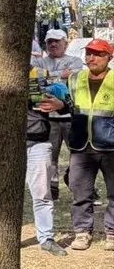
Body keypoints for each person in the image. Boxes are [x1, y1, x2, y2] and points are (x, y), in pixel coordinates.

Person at [65, 38, 114, 251]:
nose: (90, 58)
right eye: (88, 53)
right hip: (81, 147)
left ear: (109, 57)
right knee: (80, 192)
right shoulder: (75, 79)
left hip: (110, 146)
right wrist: (59, 105)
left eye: (97, 54)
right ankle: (83, 232)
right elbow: (69, 107)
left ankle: (112, 232)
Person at [26, 65, 70, 257]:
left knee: (42, 193)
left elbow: (66, 99)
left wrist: (61, 105)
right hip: (6, 145)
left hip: (38, 142)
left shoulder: (39, 74)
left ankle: (46, 238)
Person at [35, 28, 85, 200]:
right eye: (50, 42)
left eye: (57, 41)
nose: (53, 44)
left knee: (78, 155)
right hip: (48, 118)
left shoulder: (76, 60)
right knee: (51, 156)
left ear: (65, 43)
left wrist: (49, 78)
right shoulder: (39, 63)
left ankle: (78, 187)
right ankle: (53, 189)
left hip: (71, 116)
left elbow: (75, 78)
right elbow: (37, 82)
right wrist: (60, 76)